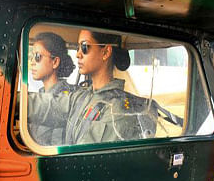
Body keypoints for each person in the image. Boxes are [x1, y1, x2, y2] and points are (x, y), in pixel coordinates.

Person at [28, 30, 157, 145]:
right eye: (78, 48)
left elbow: (84, 158)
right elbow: (48, 106)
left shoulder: (118, 109)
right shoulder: (82, 96)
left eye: (84, 47)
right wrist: (16, 101)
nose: (78, 54)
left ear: (105, 52)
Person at [28, 32, 76, 145]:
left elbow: (54, 146)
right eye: (32, 56)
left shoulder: (66, 99)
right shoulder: (41, 94)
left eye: (37, 57)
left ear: (55, 62)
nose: (32, 62)